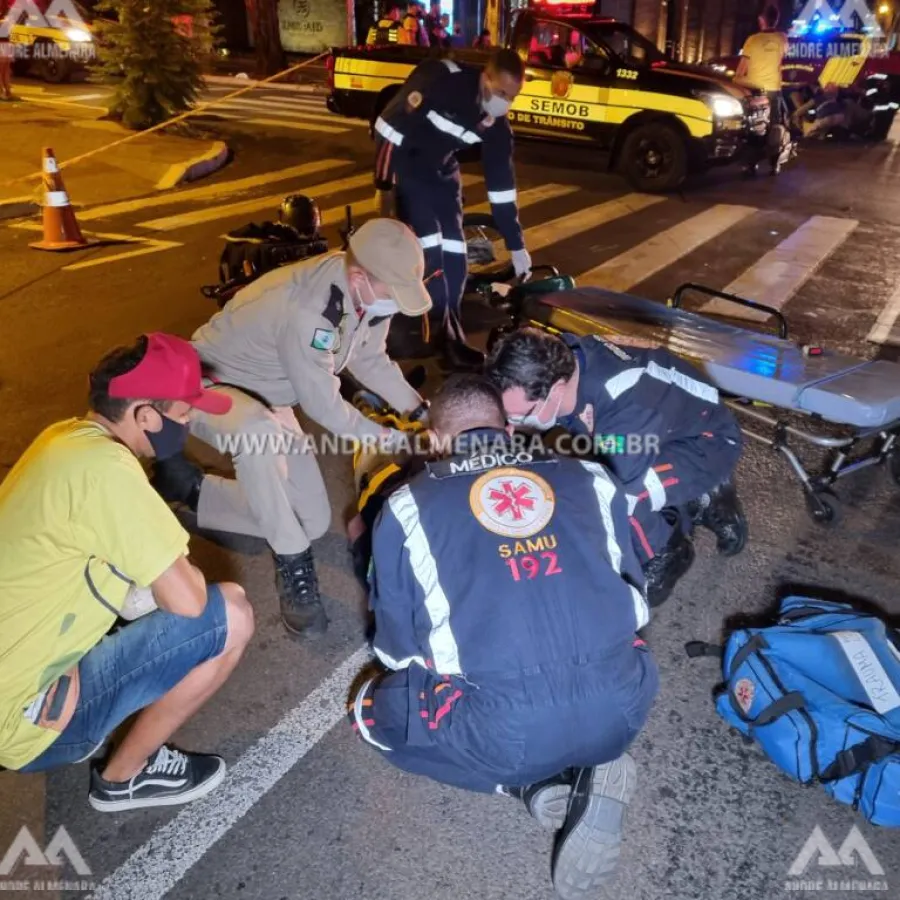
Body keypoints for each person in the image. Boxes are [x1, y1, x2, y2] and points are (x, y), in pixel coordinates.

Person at [347, 373, 656, 897]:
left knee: (368, 714)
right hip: (625, 705)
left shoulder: (406, 505)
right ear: (509, 426)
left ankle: (524, 783)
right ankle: (590, 761)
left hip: (507, 733)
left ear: (436, 440)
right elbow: (636, 588)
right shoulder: (592, 476)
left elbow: (395, 652)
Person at [0, 334, 255, 812]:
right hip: (23, 721)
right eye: (183, 415)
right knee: (232, 613)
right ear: (146, 418)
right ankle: (123, 779)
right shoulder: (108, 470)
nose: (189, 424)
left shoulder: (63, 439)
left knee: (143, 589)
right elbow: (190, 602)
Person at [151, 218, 431, 641]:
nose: (395, 305)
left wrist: (422, 411)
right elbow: (323, 404)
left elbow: (370, 359)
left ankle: (192, 488)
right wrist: (390, 439)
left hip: (269, 395)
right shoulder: (309, 310)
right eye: (393, 295)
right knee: (254, 435)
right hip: (204, 385)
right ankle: (292, 562)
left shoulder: (365, 296)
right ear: (360, 278)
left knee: (311, 520)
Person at [485, 327, 747, 609]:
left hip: (706, 442)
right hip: (665, 424)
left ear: (557, 390)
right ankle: (697, 497)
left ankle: (669, 550)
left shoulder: (624, 404)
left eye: (519, 415)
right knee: (587, 468)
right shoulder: (560, 363)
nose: (513, 423)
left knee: (620, 498)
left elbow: (609, 489)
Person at [372, 48, 532, 370]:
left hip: (442, 172)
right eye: (501, 92)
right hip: (408, 164)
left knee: (456, 259)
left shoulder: (496, 125)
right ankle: (438, 338)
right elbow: (390, 127)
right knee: (430, 251)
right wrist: (384, 186)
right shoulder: (442, 80)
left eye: (512, 97)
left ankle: (450, 337)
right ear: (486, 78)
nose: (505, 103)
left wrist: (517, 247)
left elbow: (501, 189)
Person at [735, 5, 791, 175]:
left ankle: (750, 165)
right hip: (773, 90)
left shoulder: (752, 40)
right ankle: (774, 164)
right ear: (777, 19)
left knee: (754, 128)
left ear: (761, 20)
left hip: (754, 91)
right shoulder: (782, 38)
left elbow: (741, 69)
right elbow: (784, 58)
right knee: (773, 127)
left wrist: (736, 80)